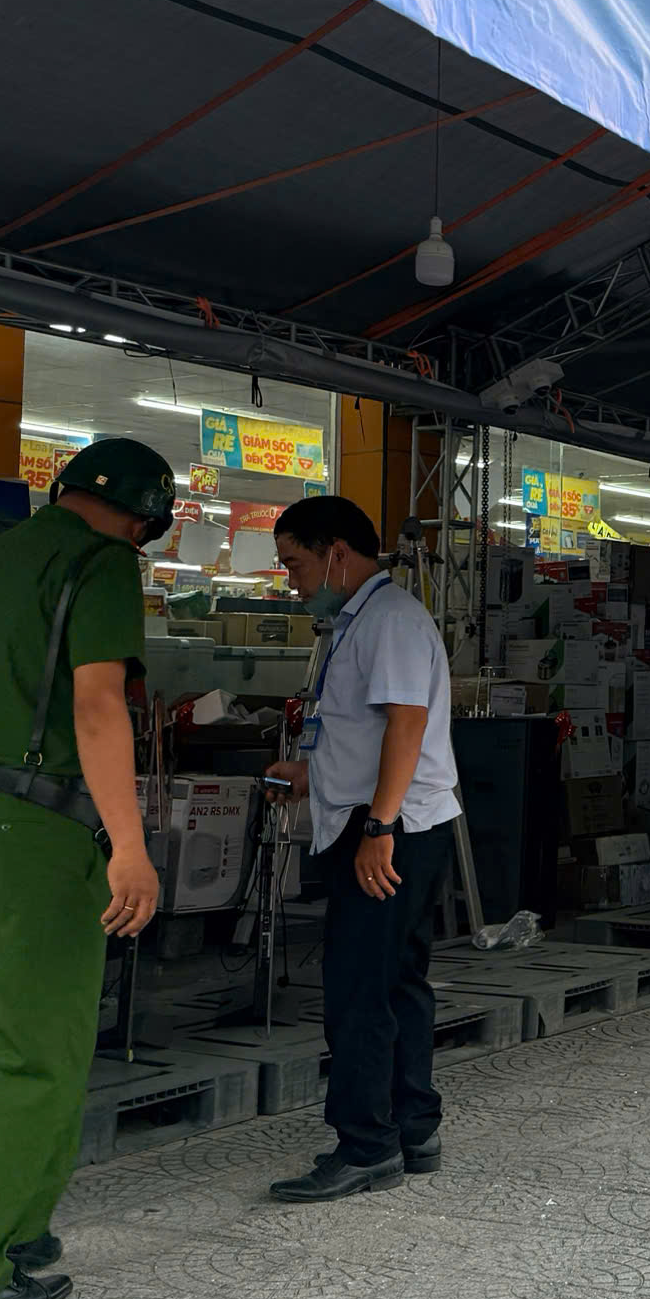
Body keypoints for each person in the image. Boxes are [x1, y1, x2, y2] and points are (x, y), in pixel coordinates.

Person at [0, 439, 171, 1299]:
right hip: (44, 827)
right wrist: (130, 845)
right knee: (34, 1049)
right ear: (143, 518)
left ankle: (22, 1231)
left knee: (45, 1031)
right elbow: (98, 706)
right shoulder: (101, 566)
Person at [265, 496, 462, 1201]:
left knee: (358, 989)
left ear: (337, 554)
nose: (291, 579)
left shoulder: (390, 619)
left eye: (296, 562)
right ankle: (412, 1127)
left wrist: (378, 829)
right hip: (386, 819)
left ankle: (367, 1145)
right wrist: (310, 775)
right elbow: (367, 733)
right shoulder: (359, 622)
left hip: (391, 830)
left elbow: (407, 727)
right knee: (394, 980)